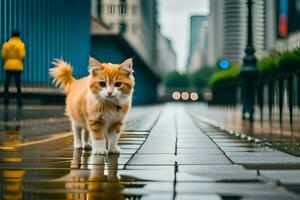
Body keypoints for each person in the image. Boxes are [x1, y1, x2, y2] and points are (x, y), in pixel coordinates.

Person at [1, 30, 26, 106]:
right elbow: (22, 55)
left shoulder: (6, 44)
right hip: (18, 66)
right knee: (18, 84)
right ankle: (19, 102)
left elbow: (3, 55)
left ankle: (6, 101)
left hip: (8, 66)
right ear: (18, 35)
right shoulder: (21, 44)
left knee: (7, 84)